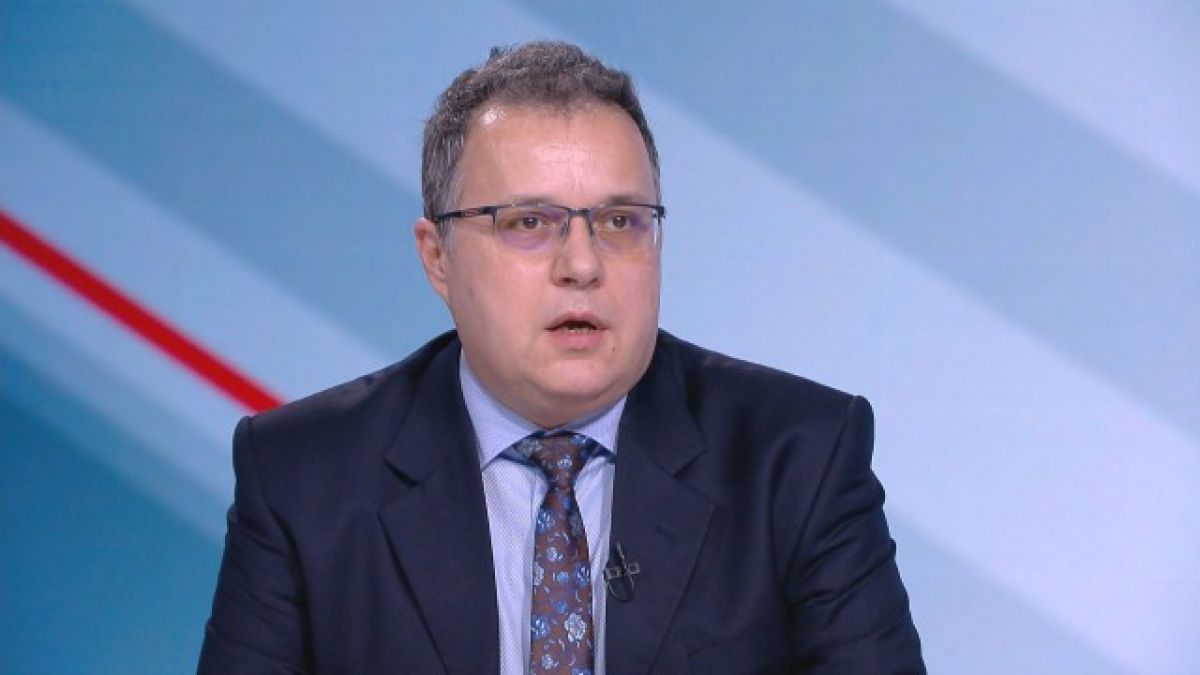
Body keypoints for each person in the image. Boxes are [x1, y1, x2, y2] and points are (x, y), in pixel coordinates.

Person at [198, 41, 924, 674]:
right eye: (529, 222)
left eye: (620, 221)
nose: (582, 264)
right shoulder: (302, 476)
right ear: (437, 256)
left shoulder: (799, 459)